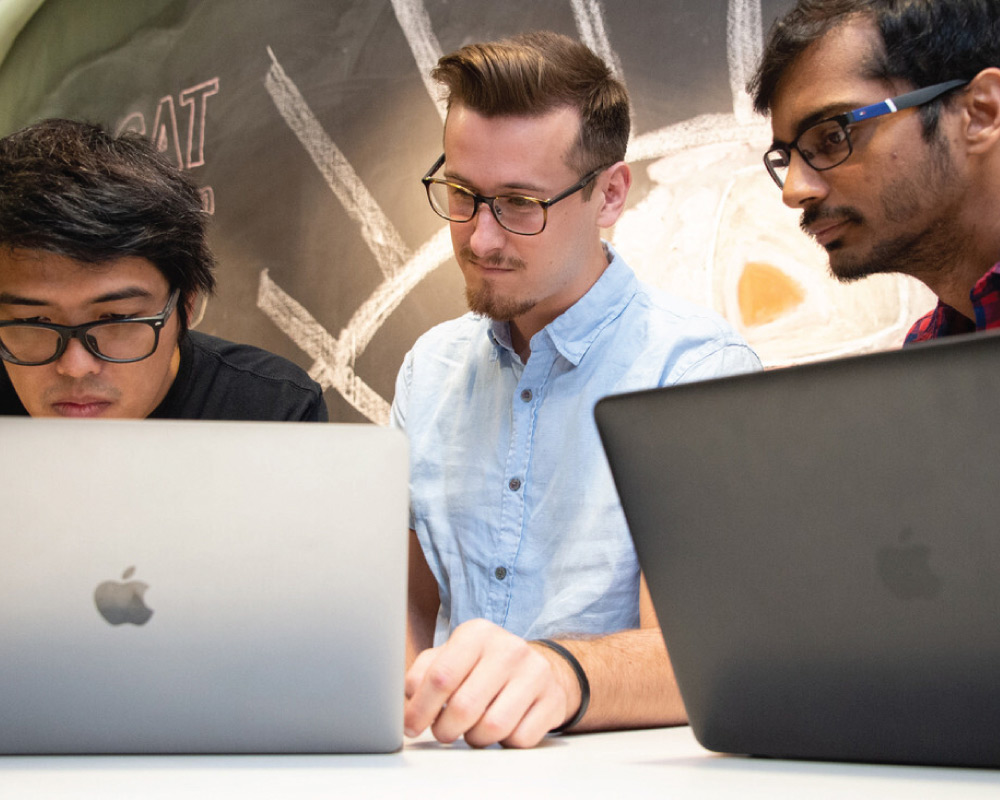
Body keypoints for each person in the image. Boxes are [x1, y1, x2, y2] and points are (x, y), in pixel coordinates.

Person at [391, 31, 761, 748]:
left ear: (610, 194)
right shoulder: (428, 368)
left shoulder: (696, 372)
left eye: (520, 203)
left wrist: (557, 673)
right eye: (462, 195)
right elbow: (404, 606)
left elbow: (707, 654)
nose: (480, 238)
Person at [0, 118, 327, 420]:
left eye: (117, 319)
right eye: (34, 321)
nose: (74, 367)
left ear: (185, 304)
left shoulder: (268, 410)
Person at [748, 0, 1000, 343]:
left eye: (834, 136)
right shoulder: (929, 349)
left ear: (982, 112)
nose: (793, 191)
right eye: (786, 158)